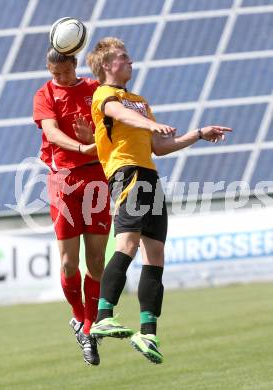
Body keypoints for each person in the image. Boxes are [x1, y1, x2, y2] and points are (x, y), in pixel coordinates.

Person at [86, 37, 232, 364]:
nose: (130, 61)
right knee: (127, 243)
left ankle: (148, 333)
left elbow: (159, 147)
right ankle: (103, 316)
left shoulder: (139, 100)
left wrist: (197, 133)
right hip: (127, 173)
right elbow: (120, 115)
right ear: (107, 65)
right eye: (123, 57)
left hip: (149, 174)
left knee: (156, 252)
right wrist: (151, 123)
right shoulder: (105, 96)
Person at [33, 47, 111, 366]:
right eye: (55, 74)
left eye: (65, 73)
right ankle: (79, 318)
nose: (60, 79)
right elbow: (50, 131)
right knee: (68, 263)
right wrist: (82, 145)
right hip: (63, 180)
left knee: (95, 260)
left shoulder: (95, 90)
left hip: (96, 179)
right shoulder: (45, 93)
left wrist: (96, 137)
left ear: (75, 65)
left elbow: (112, 130)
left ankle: (90, 328)